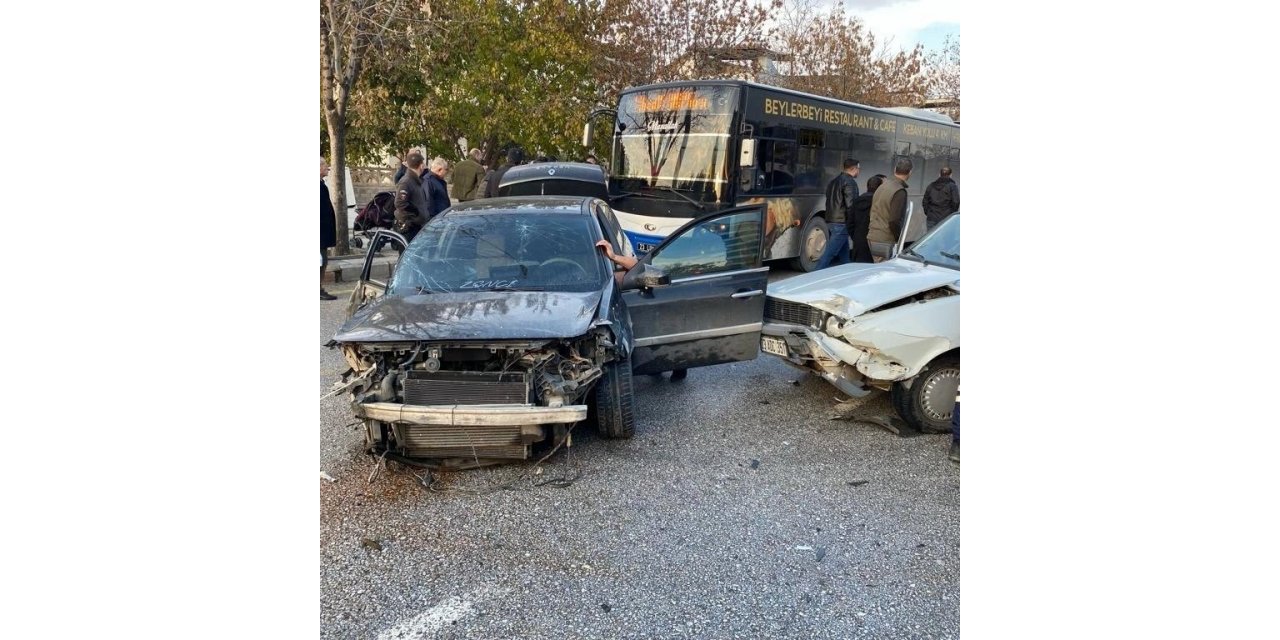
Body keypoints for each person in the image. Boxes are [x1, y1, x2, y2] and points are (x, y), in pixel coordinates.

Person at [814, 158, 860, 269]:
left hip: (831, 220)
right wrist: (854, 222)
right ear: (854, 168)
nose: (859, 171)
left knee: (844, 255)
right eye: (859, 169)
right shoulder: (850, 183)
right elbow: (851, 205)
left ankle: (848, 272)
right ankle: (815, 274)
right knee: (829, 253)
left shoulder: (833, 181)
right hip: (841, 222)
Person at [867, 158, 914, 255]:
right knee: (884, 268)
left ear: (895, 169)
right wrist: (898, 237)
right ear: (910, 173)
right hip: (885, 239)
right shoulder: (899, 191)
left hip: (873, 235)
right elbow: (894, 220)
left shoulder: (882, 185)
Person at [393, 152, 431, 242]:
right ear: (421, 165)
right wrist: (416, 212)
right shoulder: (406, 181)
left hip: (417, 225)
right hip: (409, 227)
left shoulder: (416, 180)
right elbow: (400, 203)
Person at [849, 174, 883, 263]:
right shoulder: (878, 203)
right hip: (873, 242)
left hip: (858, 241)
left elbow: (850, 223)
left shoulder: (856, 201)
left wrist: (856, 236)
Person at [321, 157, 338, 301]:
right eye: (325, 165)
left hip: (323, 233)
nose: (327, 167)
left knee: (323, 260)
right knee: (321, 261)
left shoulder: (322, 184)